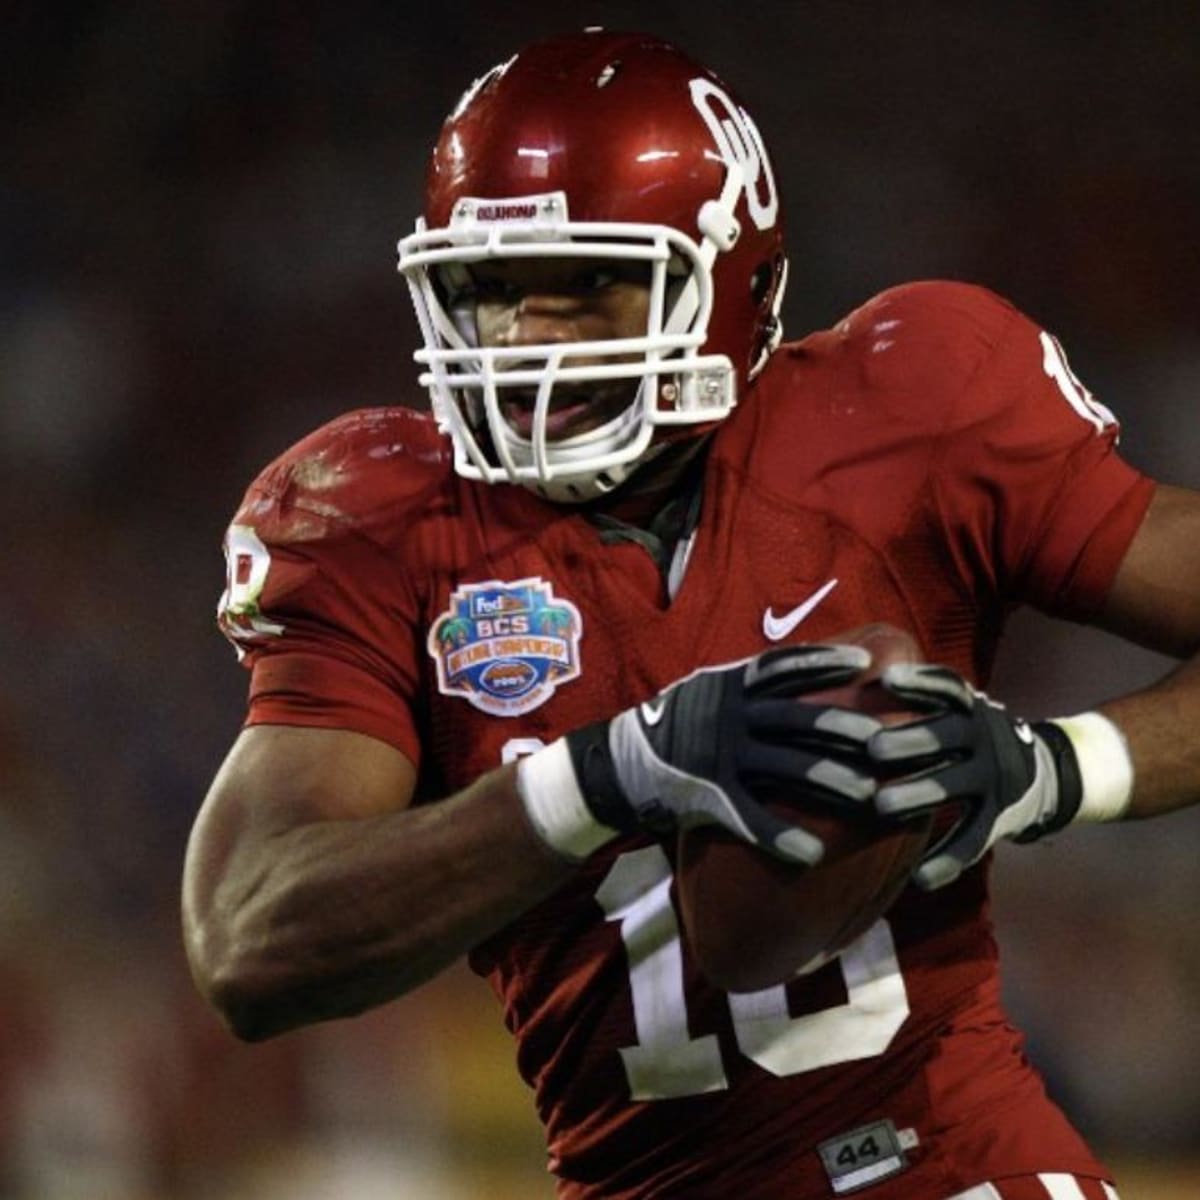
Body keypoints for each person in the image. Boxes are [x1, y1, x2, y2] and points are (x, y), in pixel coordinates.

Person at [182, 29, 1200, 1200]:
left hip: (962, 1161)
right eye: (497, 289)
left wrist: (1045, 771)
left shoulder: (910, 405)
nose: (531, 337)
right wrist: (610, 774)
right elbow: (249, 944)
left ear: (742, 283)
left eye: (593, 284)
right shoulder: (381, 524)